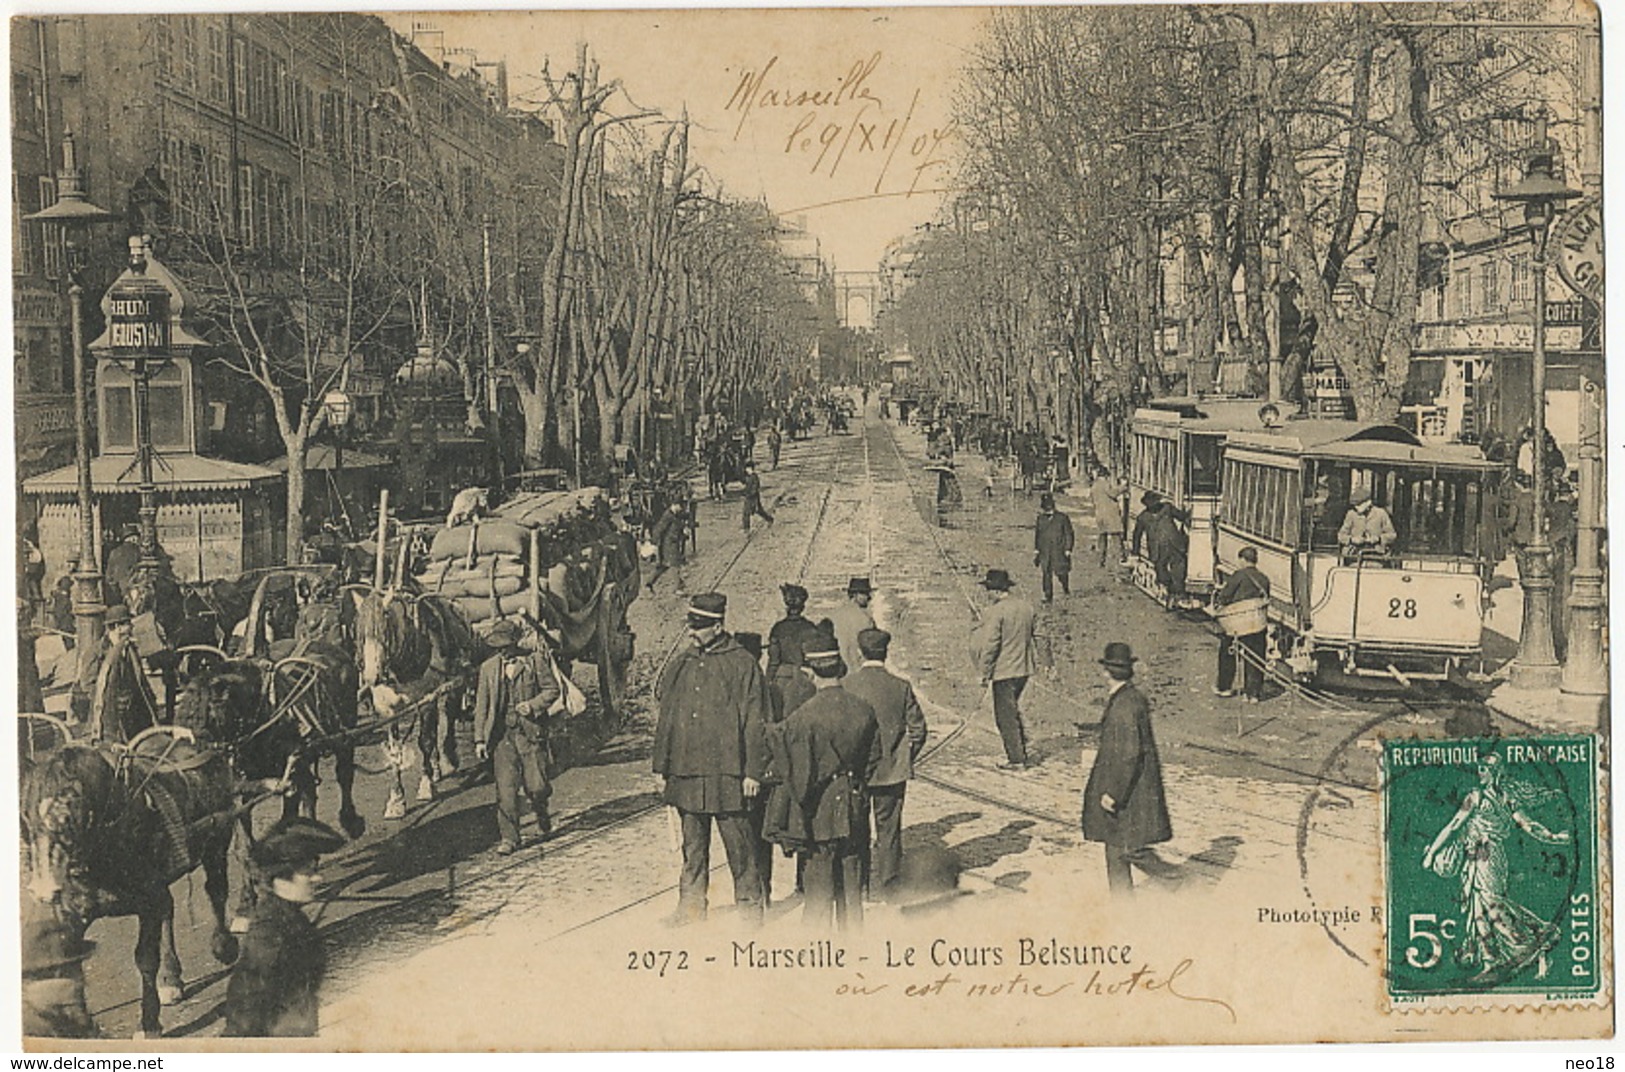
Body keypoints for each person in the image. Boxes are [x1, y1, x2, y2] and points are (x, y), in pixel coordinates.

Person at [652, 593, 770, 926]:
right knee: (693, 849)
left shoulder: (742, 664)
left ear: (718, 626)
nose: (692, 632)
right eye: (691, 625)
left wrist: (753, 773)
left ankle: (750, 910)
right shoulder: (684, 663)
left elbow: (755, 721)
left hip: (728, 775)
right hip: (687, 774)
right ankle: (690, 908)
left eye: (699, 627)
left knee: (740, 848)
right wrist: (660, 767)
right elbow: (667, 719)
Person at [765, 642, 880, 931]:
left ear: (810, 673)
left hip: (820, 812)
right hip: (854, 805)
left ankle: (816, 952)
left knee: (817, 888)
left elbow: (797, 775)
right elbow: (874, 758)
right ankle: (854, 946)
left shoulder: (804, 716)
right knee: (851, 884)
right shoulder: (863, 709)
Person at [1421, 753, 1569, 977]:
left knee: (1492, 906)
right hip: (1475, 858)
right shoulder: (1501, 797)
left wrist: (1554, 837)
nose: (1480, 773)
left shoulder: (1483, 797)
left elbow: (1527, 825)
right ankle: (1491, 960)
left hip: (1488, 858)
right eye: (1480, 768)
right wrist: (1554, 837)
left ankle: (1534, 946)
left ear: (1496, 772)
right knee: (1478, 907)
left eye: (1485, 769)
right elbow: (1455, 826)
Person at [223, 816, 346, 1037]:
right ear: (280, 880)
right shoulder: (270, 933)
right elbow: (245, 1012)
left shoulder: (292, 920)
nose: (318, 878)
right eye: (308, 872)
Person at [841, 627, 927, 899]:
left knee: (857, 829)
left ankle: (861, 887)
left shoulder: (847, 684)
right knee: (889, 831)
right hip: (892, 772)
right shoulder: (901, 687)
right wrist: (905, 758)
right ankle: (889, 887)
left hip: (855, 772)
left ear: (860, 652)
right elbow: (919, 731)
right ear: (886, 653)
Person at [1081, 643, 1171, 896]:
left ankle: (1182, 883)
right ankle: (1121, 905)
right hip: (1132, 788)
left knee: (1131, 849)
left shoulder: (1124, 706)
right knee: (1116, 848)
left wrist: (1114, 793)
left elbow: (1129, 754)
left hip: (1129, 793)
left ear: (1106, 673)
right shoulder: (1131, 699)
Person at [472, 619, 561, 855]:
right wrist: (480, 739)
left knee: (537, 786)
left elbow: (552, 690)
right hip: (502, 738)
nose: (502, 651)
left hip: (530, 734)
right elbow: (481, 707)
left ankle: (541, 809)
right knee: (506, 790)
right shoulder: (488, 669)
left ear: (515, 643)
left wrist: (532, 706)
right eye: (497, 646)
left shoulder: (534, 661)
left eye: (506, 646)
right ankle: (510, 838)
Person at [969, 568, 1038, 769]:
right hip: (1024, 669)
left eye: (988, 590)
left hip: (1004, 671)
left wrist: (983, 673)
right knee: (1012, 708)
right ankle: (1022, 744)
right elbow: (1040, 636)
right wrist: (1046, 662)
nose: (988, 595)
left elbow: (991, 645)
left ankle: (1017, 759)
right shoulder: (1027, 607)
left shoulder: (995, 612)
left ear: (995, 591)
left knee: (1004, 716)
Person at [89, 604, 158, 742]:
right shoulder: (96, 652)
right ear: (117, 627)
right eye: (128, 624)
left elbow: (139, 679)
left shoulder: (130, 649)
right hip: (110, 714)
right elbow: (88, 684)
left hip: (134, 712)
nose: (132, 628)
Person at [1213, 546, 1271, 702]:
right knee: (1256, 657)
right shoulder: (1264, 578)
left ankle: (1224, 687)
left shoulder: (1238, 576)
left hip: (1238, 623)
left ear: (1243, 560)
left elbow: (1225, 596)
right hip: (1258, 623)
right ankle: (1253, 694)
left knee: (1227, 654)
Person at [766, 584, 828, 717]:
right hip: (803, 680)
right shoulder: (810, 628)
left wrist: (767, 682)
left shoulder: (778, 629)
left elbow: (773, 661)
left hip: (781, 681)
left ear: (786, 606)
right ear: (803, 607)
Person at [826, 577, 876, 677]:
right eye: (865, 594)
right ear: (856, 595)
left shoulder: (833, 615)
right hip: (857, 674)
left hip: (836, 673)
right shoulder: (866, 619)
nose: (869, 598)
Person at [1033, 492, 1075, 602]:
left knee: (1061, 572)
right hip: (1045, 551)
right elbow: (1038, 535)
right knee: (1046, 573)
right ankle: (1048, 595)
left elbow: (1069, 534)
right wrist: (1037, 550)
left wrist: (1068, 549)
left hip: (1059, 550)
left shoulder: (1062, 518)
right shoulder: (1040, 519)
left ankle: (1065, 586)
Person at [1338, 486, 1397, 559]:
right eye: (1355, 505)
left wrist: (1379, 539)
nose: (1356, 507)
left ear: (1368, 502)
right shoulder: (1351, 514)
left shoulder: (1381, 513)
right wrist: (1352, 539)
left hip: (1377, 554)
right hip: (1354, 554)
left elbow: (1392, 535)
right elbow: (1341, 535)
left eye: (1359, 505)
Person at [646, 500, 689, 593]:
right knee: (675, 565)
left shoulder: (674, 515)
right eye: (681, 506)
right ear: (675, 505)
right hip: (668, 545)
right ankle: (678, 588)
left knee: (663, 566)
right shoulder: (667, 516)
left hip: (672, 543)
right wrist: (653, 542)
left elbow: (675, 528)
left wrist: (683, 533)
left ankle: (649, 582)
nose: (682, 509)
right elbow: (659, 529)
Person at [1091, 468, 1128, 568]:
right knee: (1116, 536)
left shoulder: (1094, 485)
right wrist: (1123, 486)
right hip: (1110, 515)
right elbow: (1113, 493)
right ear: (1106, 475)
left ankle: (1101, 560)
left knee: (1102, 538)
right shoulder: (1104, 483)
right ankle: (1121, 557)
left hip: (1100, 515)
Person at [741, 462, 774, 531]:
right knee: (746, 512)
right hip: (749, 497)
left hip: (753, 498)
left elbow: (755, 487)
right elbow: (747, 486)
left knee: (757, 511)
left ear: (750, 468)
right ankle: (746, 528)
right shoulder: (749, 477)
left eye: (747, 468)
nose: (746, 470)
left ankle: (769, 519)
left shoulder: (754, 477)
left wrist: (750, 494)